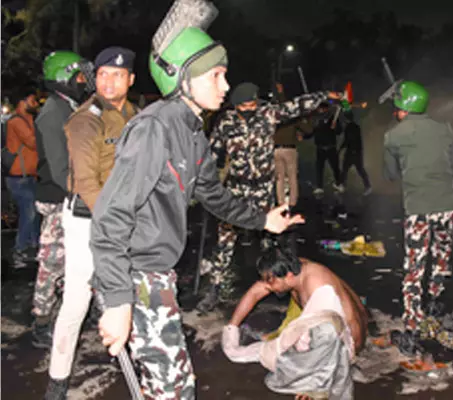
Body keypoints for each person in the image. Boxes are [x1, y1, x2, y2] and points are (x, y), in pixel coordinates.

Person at [90, 23, 304, 399]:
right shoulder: (154, 128)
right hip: (137, 276)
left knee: (172, 387)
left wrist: (263, 219)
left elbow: (213, 194)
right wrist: (118, 300)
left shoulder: (193, 133)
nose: (225, 86)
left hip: (158, 273)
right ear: (181, 79)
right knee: (175, 390)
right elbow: (111, 216)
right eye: (216, 75)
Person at [44, 47, 138, 399]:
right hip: (89, 218)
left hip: (120, 217)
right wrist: (114, 228)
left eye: (117, 75)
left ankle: (148, 367)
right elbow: (86, 184)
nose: (108, 81)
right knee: (77, 301)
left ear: (130, 79)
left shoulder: (133, 113)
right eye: (102, 74)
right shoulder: (87, 118)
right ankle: (57, 381)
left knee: (128, 295)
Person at [198, 82, 341, 311]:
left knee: (271, 238)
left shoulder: (267, 114)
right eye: (247, 104)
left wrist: (323, 94)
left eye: (254, 102)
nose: (252, 107)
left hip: (263, 189)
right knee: (225, 239)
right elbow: (213, 153)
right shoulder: (226, 121)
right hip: (236, 190)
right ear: (237, 106)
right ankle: (214, 288)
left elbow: (296, 106)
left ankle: (279, 283)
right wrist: (206, 182)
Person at [222, 247, 367, 399]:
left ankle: (317, 383)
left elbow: (329, 333)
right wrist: (232, 328)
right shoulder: (295, 268)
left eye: (271, 282)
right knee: (288, 342)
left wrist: (311, 384)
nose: (268, 287)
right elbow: (255, 292)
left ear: (289, 276)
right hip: (324, 328)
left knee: (291, 353)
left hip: (346, 341)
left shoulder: (319, 287)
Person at [383, 81, 453, 345]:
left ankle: (412, 325)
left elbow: (391, 174)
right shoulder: (445, 129)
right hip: (448, 205)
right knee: (441, 258)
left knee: (414, 266)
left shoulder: (393, 136)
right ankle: (436, 300)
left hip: (418, 208)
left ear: (404, 107)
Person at [32, 51, 88, 349]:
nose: (82, 81)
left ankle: (68, 313)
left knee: (72, 262)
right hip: (58, 199)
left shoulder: (69, 107)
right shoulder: (53, 112)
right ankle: (41, 320)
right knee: (52, 263)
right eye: (78, 75)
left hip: (71, 196)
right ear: (63, 77)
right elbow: (58, 169)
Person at [4, 88, 40, 266]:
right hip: (19, 178)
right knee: (29, 214)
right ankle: (19, 250)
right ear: (22, 102)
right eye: (33, 101)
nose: (36, 104)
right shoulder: (16, 122)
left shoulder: (29, 119)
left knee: (33, 213)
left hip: (29, 176)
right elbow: (33, 142)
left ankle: (34, 247)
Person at [307, 103, 344, 195]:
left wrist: (335, 127)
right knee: (319, 168)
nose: (322, 111)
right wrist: (303, 136)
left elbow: (339, 131)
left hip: (331, 147)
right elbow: (312, 132)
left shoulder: (333, 119)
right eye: (320, 109)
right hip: (320, 148)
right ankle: (319, 187)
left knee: (335, 168)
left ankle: (338, 184)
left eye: (323, 109)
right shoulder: (316, 120)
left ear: (327, 109)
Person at [340, 110, 372, 196]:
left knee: (347, 169)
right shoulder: (355, 127)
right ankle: (368, 186)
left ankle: (343, 185)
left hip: (352, 152)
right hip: (356, 152)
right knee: (358, 169)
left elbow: (347, 140)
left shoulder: (350, 128)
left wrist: (341, 149)